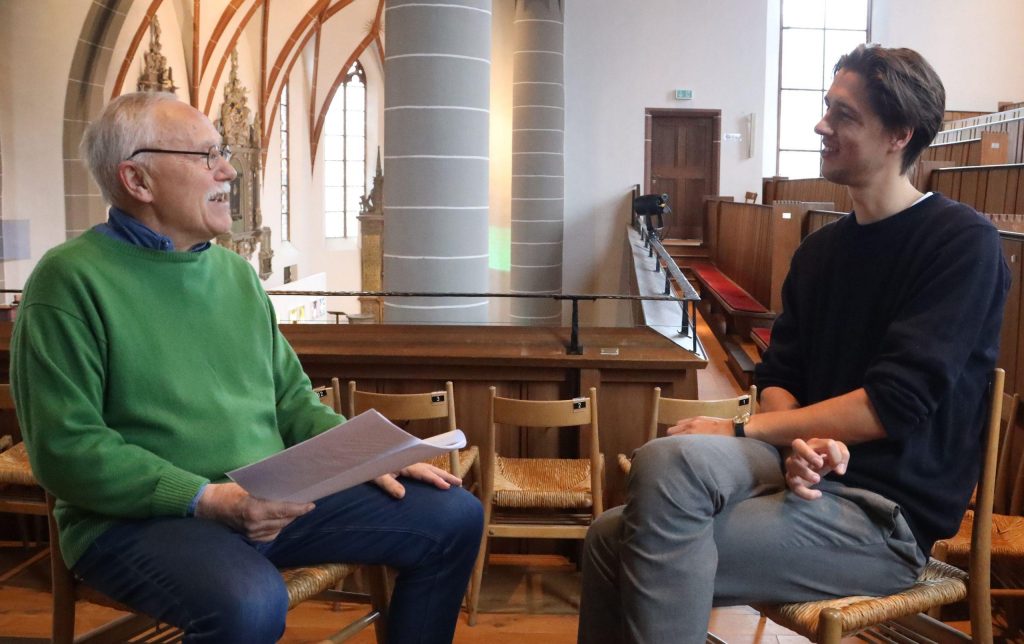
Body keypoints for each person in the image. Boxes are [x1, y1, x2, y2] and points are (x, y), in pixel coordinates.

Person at [11, 91, 483, 644]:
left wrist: (369, 455)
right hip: (137, 523)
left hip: (268, 503)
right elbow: (65, 451)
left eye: (223, 152)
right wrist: (210, 499)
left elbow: (291, 399)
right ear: (137, 181)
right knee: (251, 604)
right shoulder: (68, 281)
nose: (229, 171)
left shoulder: (236, 276)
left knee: (453, 517)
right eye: (206, 157)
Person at [578, 44, 1011, 644]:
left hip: (881, 515)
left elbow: (895, 403)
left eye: (844, 114)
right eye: (826, 107)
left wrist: (744, 431)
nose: (821, 125)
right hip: (802, 466)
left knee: (612, 541)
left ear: (899, 135)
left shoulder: (960, 243)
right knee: (662, 459)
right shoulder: (820, 251)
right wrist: (799, 440)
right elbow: (778, 373)